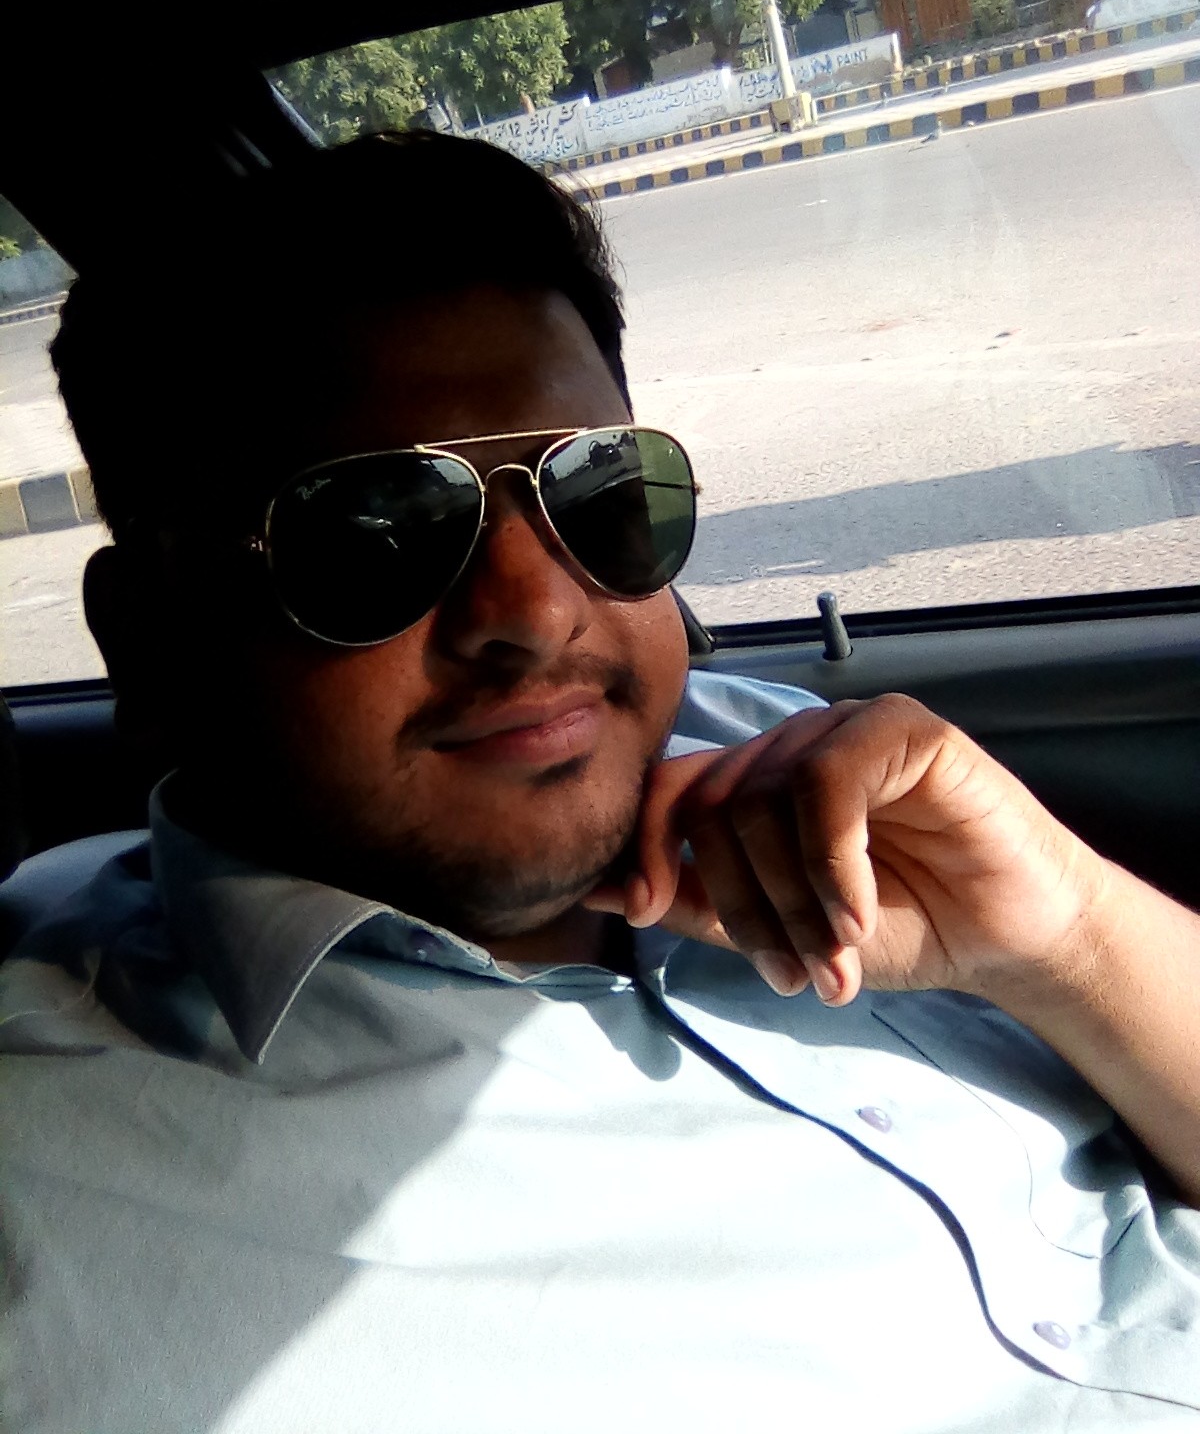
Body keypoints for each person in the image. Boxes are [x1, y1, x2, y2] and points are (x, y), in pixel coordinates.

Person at [2, 131, 1199, 1433]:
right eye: (376, 533)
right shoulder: (52, 1182)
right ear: (148, 640)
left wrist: (1072, 941)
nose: (536, 610)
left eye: (599, 491)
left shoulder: (771, 748)